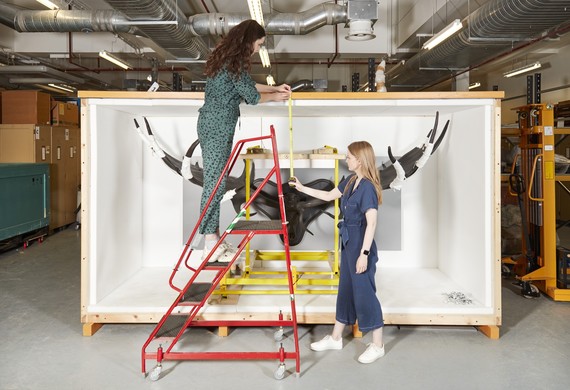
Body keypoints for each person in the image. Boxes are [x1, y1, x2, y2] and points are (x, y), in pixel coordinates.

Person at [181, 20, 291, 263]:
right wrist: (275, 98)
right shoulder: (234, 63)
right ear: (249, 40)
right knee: (215, 184)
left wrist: (274, 89)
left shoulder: (229, 62)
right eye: (258, 44)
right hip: (217, 126)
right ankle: (209, 242)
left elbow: (247, 85)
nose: (256, 49)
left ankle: (214, 239)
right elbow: (251, 96)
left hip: (214, 123)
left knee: (215, 182)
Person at [289, 141, 385, 364]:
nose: (346, 159)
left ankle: (378, 344)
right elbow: (327, 196)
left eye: (349, 157)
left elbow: (371, 224)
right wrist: (301, 188)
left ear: (360, 160)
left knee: (365, 294)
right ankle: (335, 338)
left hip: (362, 245)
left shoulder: (368, 187)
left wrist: (364, 254)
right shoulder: (351, 181)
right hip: (348, 243)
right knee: (346, 291)